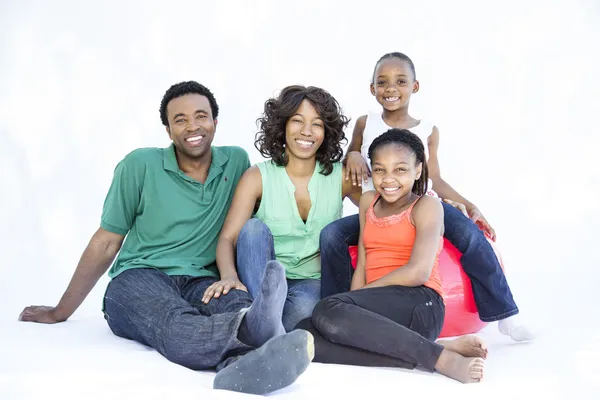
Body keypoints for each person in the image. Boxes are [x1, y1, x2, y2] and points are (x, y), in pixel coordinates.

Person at [18, 81, 314, 396]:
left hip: (203, 280)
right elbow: (106, 241)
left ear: (215, 122)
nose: (192, 126)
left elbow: (279, 184)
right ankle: (256, 333)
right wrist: (60, 311)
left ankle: (237, 367)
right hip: (139, 278)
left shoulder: (236, 162)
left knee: (237, 302)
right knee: (172, 321)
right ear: (168, 130)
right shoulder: (140, 165)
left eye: (201, 116)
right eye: (180, 120)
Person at [319, 52, 534, 342]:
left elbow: (435, 178)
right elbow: (353, 161)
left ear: (415, 87)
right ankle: (337, 308)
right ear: (372, 89)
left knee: (471, 237)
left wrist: (471, 205)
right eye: (382, 82)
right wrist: (354, 154)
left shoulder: (427, 129)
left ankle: (505, 313)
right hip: (376, 210)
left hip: (418, 206)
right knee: (332, 234)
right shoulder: (364, 122)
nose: (391, 89)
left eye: (401, 81)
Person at [297, 129, 486, 384]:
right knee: (303, 334)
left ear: (418, 170)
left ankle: (442, 361)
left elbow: (418, 271)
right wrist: (354, 300)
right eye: (379, 170)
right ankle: (435, 349)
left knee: (327, 309)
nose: (388, 179)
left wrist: (356, 299)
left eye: (400, 170)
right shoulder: (367, 201)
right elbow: (363, 261)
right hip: (378, 311)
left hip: (420, 303)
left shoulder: (427, 206)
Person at [201, 85, 361, 331]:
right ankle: (264, 311)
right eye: (297, 121)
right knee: (253, 229)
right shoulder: (257, 176)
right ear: (282, 125)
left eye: (317, 124)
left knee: (303, 311)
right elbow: (227, 238)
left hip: (311, 282)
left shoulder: (341, 177)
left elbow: (384, 210)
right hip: (261, 276)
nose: (307, 131)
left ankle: (260, 323)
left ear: (326, 131)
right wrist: (229, 277)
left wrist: (357, 154)